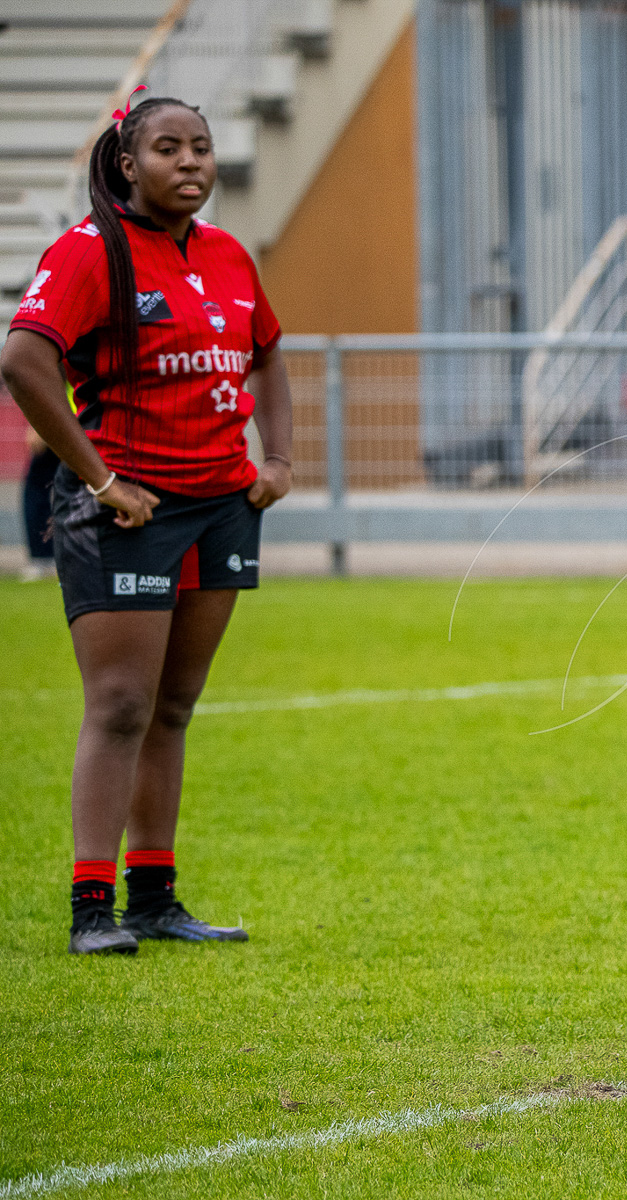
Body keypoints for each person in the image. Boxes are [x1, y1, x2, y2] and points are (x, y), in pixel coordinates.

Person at [0, 90, 293, 954]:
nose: (191, 161)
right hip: (133, 510)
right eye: (169, 148)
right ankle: (92, 909)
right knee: (122, 703)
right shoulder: (92, 250)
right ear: (128, 164)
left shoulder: (229, 254)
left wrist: (277, 458)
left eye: (201, 146)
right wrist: (101, 479)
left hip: (223, 506)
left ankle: (154, 899)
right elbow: (23, 360)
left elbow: (268, 351)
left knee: (173, 705)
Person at [21, 424, 60, 580]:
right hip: (76, 423)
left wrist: (39, 427)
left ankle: (43, 558)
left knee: (36, 488)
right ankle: (44, 557)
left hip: (64, 425)